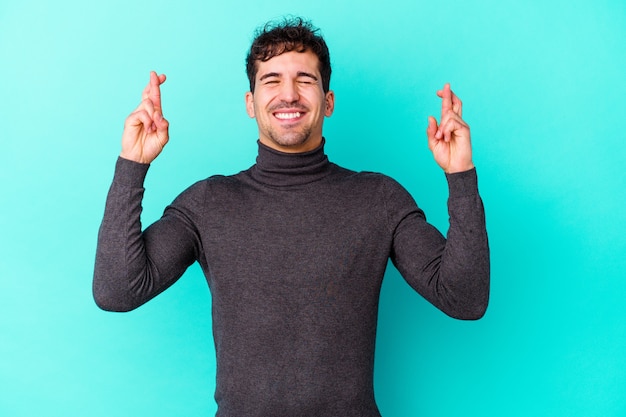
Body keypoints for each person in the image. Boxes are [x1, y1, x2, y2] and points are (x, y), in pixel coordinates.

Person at [93, 17, 489, 417]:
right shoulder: (208, 203)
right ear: (250, 103)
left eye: (304, 80)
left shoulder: (378, 198)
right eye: (270, 80)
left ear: (328, 101)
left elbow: (465, 298)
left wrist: (460, 175)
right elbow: (117, 291)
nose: (288, 94)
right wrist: (132, 164)